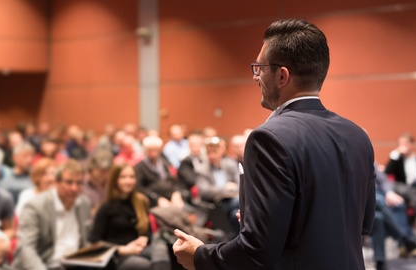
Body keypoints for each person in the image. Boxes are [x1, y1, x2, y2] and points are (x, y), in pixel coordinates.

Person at [172, 19, 375, 270]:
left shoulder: (269, 138)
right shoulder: (356, 135)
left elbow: (258, 251)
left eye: (259, 67)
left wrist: (200, 255)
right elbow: (362, 223)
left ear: (281, 75)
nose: (256, 75)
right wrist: (262, 218)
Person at [12, 159, 92, 270]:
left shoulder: (84, 203)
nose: (74, 188)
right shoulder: (35, 206)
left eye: (79, 183)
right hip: (44, 265)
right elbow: (26, 248)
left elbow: (85, 241)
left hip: (76, 264)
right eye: (69, 182)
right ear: (56, 182)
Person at [90, 163, 170, 270]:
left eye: (131, 177)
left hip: (139, 249)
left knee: (163, 249)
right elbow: (95, 241)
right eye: (123, 177)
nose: (128, 181)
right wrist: (121, 249)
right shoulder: (106, 207)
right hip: (118, 255)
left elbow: (149, 232)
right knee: (144, 265)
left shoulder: (141, 201)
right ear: (115, 180)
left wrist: (143, 239)